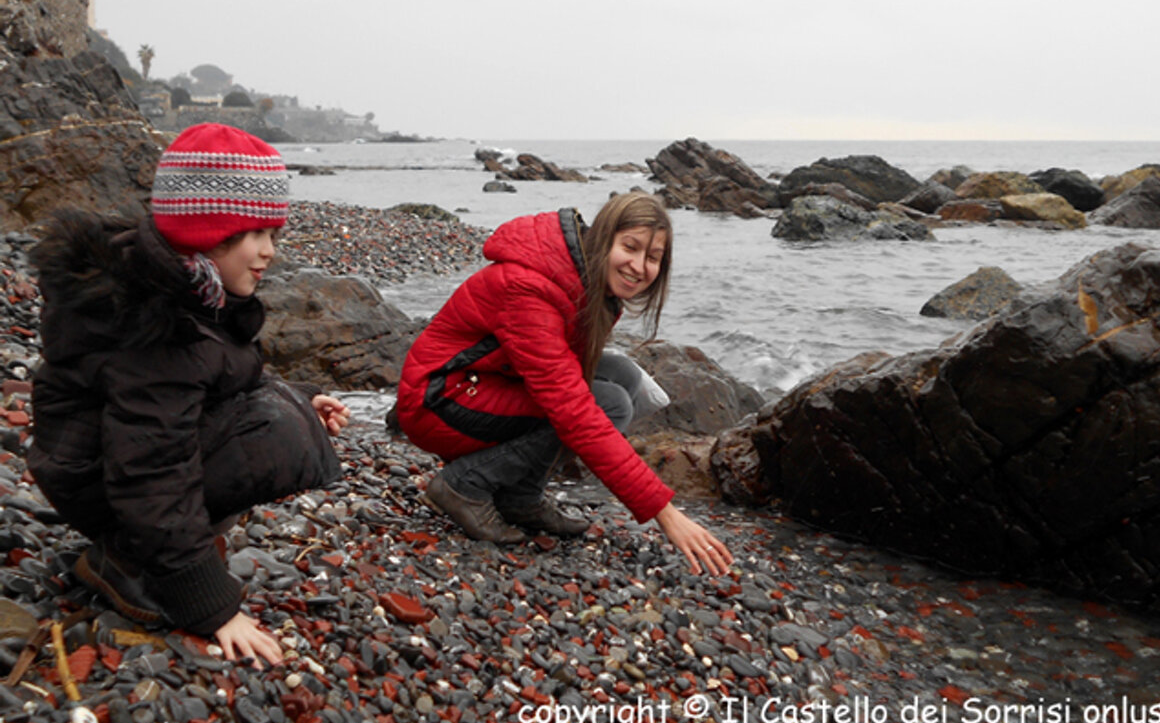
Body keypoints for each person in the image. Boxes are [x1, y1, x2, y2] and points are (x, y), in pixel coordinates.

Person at [28, 123, 350, 667]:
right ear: (209, 232)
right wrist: (213, 608)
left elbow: (214, 375)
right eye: (257, 235)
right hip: (100, 478)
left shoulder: (184, 285)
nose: (269, 252)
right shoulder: (155, 324)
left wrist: (302, 396)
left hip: (99, 461)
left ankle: (155, 548)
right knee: (276, 437)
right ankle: (127, 561)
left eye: (274, 234)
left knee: (286, 414)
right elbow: (151, 467)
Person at [396, 192, 733, 576]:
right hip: (438, 400)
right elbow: (572, 411)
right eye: (631, 247)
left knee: (622, 376)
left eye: (653, 257)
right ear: (604, 238)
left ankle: (520, 497)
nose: (639, 266)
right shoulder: (531, 288)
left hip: (478, 383)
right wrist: (665, 513)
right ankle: (463, 485)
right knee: (608, 404)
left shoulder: (591, 286)